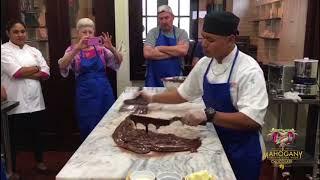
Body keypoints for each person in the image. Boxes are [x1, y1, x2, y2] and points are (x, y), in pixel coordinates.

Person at [140, 11, 268, 180]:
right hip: (213, 143)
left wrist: (209, 115)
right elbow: (183, 93)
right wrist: (151, 97)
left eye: (211, 39)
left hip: (241, 149)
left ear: (230, 39)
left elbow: (252, 120)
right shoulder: (205, 64)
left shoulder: (248, 70)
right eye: (203, 37)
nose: (204, 44)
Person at [58, 18, 123, 140]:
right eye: (84, 32)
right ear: (78, 33)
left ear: (94, 33)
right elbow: (62, 65)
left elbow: (118, 62)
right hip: (85, 94)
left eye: (90, 32)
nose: (87, 35)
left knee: (107, 123)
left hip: (104, 92)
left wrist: (111, 48)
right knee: (88, 123)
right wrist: (77, 48)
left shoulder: (101, 49)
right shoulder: (72, 50)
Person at [1, 19, 50, 172]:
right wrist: (36, 68)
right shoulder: (3, 50)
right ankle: (12, 169)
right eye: (15, 32)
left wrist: (26, 72)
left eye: (22, 31)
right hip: (15, 102)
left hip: (36, 101)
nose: (20, 34)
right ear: (8, 33)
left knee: (37, 135)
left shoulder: (33, 50)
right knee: (13, 140)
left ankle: (40, 162)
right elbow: (16, 72)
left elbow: (46, 72)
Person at [143, 5, 189, 87]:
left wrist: (159, 48)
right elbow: (148, 53)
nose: (164, 21)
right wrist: (174, 52)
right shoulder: (152, 33)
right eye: (161, 18)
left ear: (173, 17)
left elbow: (183, 51)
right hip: (154, 79)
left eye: (166, 18)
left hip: (175, 79)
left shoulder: (181, 33)